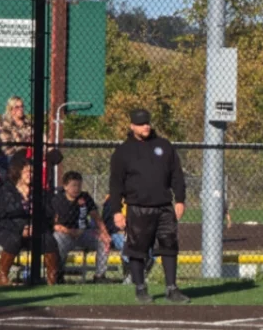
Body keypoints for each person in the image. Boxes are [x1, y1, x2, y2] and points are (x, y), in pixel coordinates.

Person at [108, 109, 190, 304]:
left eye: (147, 123)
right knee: (137, 250)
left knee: (169, 247)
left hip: (164, 207)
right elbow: (115, 184)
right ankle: (140, 288)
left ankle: (172, 289)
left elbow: (176, 174)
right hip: (138, 207)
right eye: (140, 123)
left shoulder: (164, 146)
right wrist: (117, 211)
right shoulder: (123, 151)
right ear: (132, 126)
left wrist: (180, 199)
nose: (145, 126)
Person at [0, 153, 59, 285]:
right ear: (18, 172)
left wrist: (35, 227)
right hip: (9, 229)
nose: (30, 174)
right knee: (14, 239)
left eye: (32, 172)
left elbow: (48, 215)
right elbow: (2, 217)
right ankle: (2, 276)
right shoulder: (5, 192)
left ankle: (52, 277)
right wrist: (21, 229)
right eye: (26, 171)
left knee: (49, 240)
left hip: (35, 229)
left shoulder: (40, 193)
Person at [52, 171, 113, 283]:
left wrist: (104, 233)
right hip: (65, 234)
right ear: (65, 186)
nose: (77, 189)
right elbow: (54, 225)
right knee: (58, 239)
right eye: (73, 185)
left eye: (79, 185)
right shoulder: (57, 200)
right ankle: (58, 274)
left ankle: (99, 276)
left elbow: (96, 217)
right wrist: (69, 231)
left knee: (103, 240)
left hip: (83, 233)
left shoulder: (85, 197)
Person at [0, 96, 34, 179]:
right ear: (11, 109)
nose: (21, 109)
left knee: (50, 156)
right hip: (10, 156)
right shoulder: (4, 124)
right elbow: (7, 147)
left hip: (29, 154)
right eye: (17, 107)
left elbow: (35, 137)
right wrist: (26, 144)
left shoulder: (28, 123)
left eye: (22, 106)